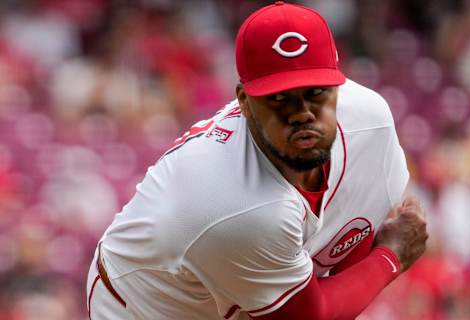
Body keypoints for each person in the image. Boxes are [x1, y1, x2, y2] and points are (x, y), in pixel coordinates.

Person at [86, 2, 428, 319]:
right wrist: (391, 256)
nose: (302, 113)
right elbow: (309, 315)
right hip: (147, 305)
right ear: (244, 102)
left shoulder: (370, 123)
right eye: (279, 98)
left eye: (316, 91)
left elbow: (353, 238)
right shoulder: (240, 205)